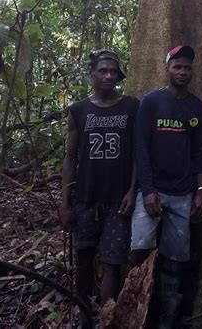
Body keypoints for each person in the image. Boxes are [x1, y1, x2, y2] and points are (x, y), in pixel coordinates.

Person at [130, 45, 202, 328]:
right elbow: (140, 147)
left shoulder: (196, 106)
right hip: (151, 191)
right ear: (168, 68)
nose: (183, 72)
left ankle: (168, 312)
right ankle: (136, 304)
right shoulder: (151, 102)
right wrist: (147, 190)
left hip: (183, 193)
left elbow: (201, 152)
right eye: (178, 67)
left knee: (175, 256)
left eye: (187, 67)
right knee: (139, 248)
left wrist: (201, 191)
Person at [59, 50, 139, 319]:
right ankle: (83, 315)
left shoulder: (131, 106)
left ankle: (107, 317)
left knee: (112, 262)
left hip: (118, 199)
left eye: (113, 72)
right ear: (92, 74)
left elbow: (139, 153)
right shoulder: (79, 110)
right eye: (103, 71)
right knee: (83, 258)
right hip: (85, 199)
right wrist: (65, 203)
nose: (108, 76)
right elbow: (70, 158)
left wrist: (132, 190)